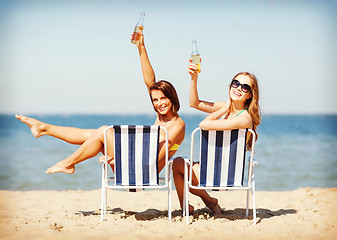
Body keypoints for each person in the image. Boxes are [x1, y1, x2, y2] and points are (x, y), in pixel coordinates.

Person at [15, 32, 185, 175]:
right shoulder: (162, 116)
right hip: (130, 165)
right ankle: (44, 129)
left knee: (104, 130)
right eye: (155, 100)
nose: (159, 103)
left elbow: (152, 159)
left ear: (172, 97)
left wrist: (116, 158)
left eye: (163, 98)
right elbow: (150, 81)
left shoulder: (177, 125)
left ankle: (67, 162)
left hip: (139, 175)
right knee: (94, 134)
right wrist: (141, 47)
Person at [172, 58, 261, 214]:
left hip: (224, 174)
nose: (239, 88)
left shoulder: (244, 118)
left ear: (250, 95)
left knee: (178, 165)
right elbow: (194, 103)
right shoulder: (229, 108)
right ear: (231, 85)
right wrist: (194, 78)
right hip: (215, 168)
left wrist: (222, 109)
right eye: (236, 83)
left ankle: (203, 203)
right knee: (179, 165)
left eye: (245, 87)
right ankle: (209, 202)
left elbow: (204, 125)